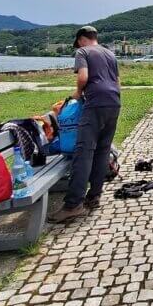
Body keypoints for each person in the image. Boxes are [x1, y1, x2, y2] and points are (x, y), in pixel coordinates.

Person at [48, 25, 120, 223]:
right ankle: (94, 196)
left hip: (95, 103)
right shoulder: (110, 54)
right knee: (102, 151)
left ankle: (73, 205)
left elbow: (83, 77)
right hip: (114, 103)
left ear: (81, 39)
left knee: (84, 152)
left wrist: (78, 94)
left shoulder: (83, 52)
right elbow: (117, 82)